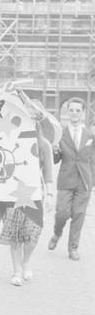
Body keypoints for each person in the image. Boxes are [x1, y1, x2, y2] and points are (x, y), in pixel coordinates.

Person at [0, 123, 54, 284]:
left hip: (35, 193)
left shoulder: (43, 144)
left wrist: (50, 194)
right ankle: (16, 270)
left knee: (32, 233)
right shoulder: (9, 139)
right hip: (11, 192)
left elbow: (48, 172)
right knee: (14, 232)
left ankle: (26, 261)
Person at [48, 97, 95, 261]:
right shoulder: (60, 133)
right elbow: (55, 159)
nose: (74, 113)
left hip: (84, 180)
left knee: (79, 214)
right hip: (66, 178)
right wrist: (55, 150)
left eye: (78, 110)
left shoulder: (90, 135)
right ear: (67, 112)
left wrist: (92, 182)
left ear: (82, 113)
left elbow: (93, 160)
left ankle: (73, 248)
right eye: (71, 110)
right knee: (62, 212)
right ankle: (57, 233)